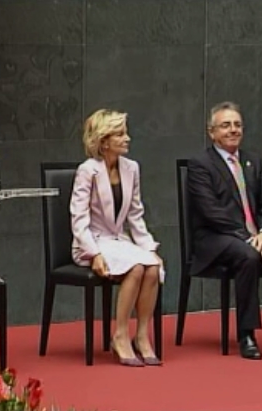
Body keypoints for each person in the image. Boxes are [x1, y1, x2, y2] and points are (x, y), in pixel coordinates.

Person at [187, 101, 262, 360]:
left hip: (256, 236)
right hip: (216, 239)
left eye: (237, 125)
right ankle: (247, 334)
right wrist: (248, 238)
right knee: (249, 255)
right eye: (225, 125)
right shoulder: (200, 164)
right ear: (212, 132)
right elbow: (211, 212)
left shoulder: (253, 161)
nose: (233, 130)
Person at [70, 109, 164, 367]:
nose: (127, 138)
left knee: (152, 267)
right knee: (136, 268)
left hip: (119, 241)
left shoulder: (131, 168)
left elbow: (135, 215)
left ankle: (141, 336)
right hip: (92, 243)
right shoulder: (87, 170)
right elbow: (78, 218)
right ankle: (120, 335)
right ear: (103, 141)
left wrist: (149, 248)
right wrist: (94, 254)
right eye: (120, 134)